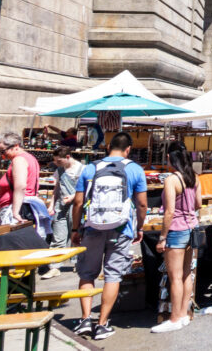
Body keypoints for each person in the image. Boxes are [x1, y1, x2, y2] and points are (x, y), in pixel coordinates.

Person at [71, 132, 148, 341]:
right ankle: (102, 323)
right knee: (113, 275)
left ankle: (85, 319)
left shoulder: (90, 168)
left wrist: (75, 229)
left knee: (87, 273)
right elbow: (141, 204)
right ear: (128, 149)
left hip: (92, 227)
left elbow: (78, 203)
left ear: (108, 147)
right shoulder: (134, 169)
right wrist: (139, 227)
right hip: (121, 229)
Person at [152, 142, 201, 333]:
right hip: (192, 228)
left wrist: (162, 237)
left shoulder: (172, 180)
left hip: (177, 229)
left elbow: (169, 212)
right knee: (187, 273)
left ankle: (175, 318)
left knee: (175, 277)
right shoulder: (194, 178)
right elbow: (198, 204)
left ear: (170, 159)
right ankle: (184, 314)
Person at [0, 133, 51, 237]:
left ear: (16, 146)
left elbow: (20, 186)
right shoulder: (30, 158)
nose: (2, 155)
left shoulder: (19, 160)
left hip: (16, 209)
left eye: (3, 151)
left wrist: (15, 212)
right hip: (24, 207)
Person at [43, 146, 84, 279]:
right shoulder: (60, 170)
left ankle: (78, 263)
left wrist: (73, 197)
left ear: (67, 157)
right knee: (58, 235)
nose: (56, 164)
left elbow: (87, 189)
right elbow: (57, 188)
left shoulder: (82, 169)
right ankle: (54, 266)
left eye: (58, 161)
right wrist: (51, 204)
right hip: (61, 206)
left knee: (76, 234)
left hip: (76, 206)